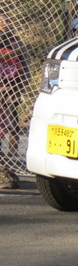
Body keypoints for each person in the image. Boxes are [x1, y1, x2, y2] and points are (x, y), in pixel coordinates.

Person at [0, 12, 29, 157]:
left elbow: (24, 61)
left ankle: (13, 148)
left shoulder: (15, 41)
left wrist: (24, 81)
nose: (4, 24)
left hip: (13, 83)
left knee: (12, 113)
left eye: (6, 21)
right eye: (1, 21)